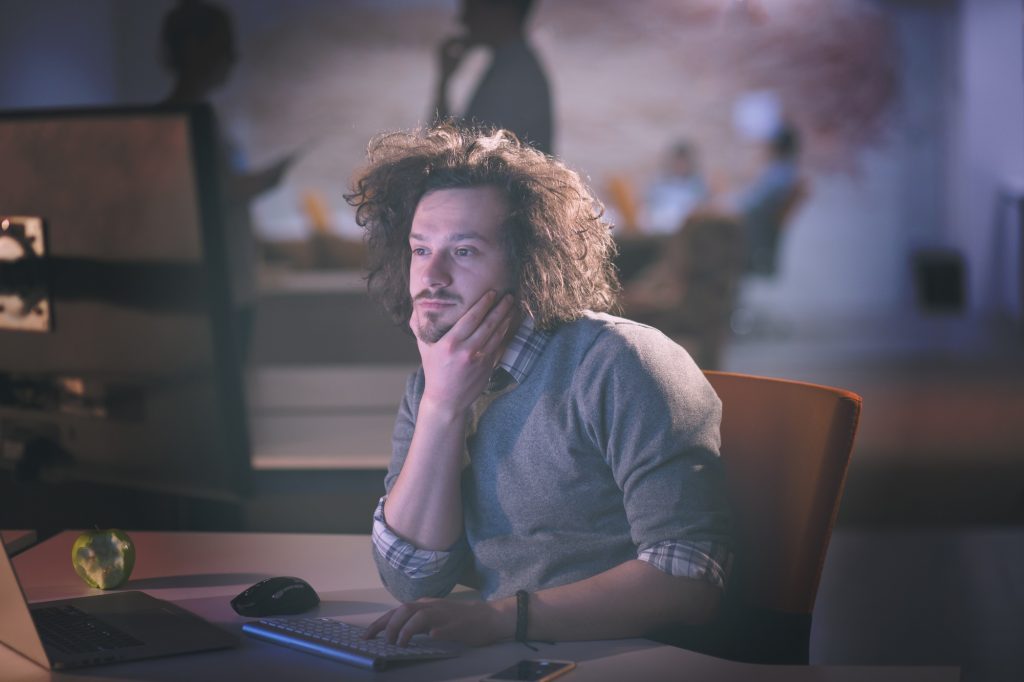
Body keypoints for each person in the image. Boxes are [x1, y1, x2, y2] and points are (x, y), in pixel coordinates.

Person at [346, 124, 733, 648]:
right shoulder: (435, 382)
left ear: (530, 262)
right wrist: (442, 405)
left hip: (622, 660)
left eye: (463, 251)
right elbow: (410, 576)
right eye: (419, 250)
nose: (430, 276)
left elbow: (688, 578)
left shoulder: (620, 364)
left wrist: (499, 620)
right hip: (508, 655)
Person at [159, 0, 293, 357]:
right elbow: (211, 193)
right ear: (194, 48)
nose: (232, 58)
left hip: (221, 281)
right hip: (215, 284)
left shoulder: (196, 118)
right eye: (224, 46)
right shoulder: (185, 121)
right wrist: (264, 181)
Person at [432, 0, 553, 155]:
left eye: (471, 7)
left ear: (503, 9)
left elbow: (452, 156)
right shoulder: (514, 65)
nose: (463, 18)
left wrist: (443, 83)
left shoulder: (513, 75)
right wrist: (444, 81)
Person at [643, 140, 708, 235]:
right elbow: (650, 206)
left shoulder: (697, 184)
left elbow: (702, 206)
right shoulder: (660, 183)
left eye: (683, 162)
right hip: (662, 230)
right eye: (678, 161)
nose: (680, 165)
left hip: (690, 231)